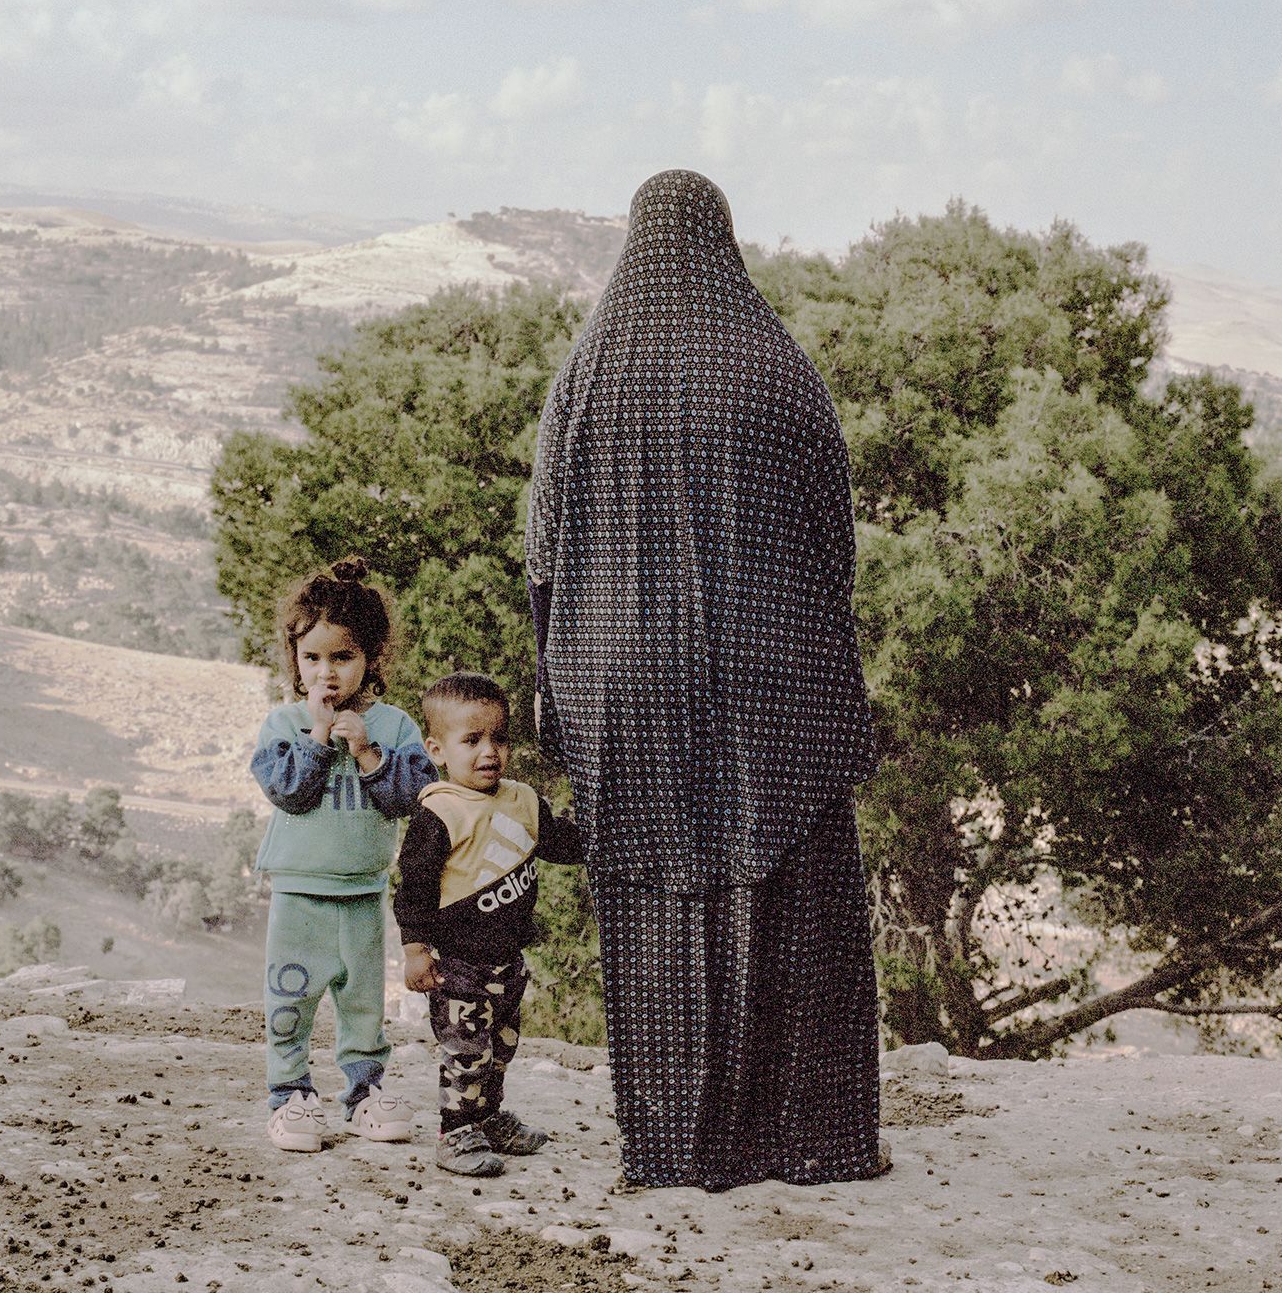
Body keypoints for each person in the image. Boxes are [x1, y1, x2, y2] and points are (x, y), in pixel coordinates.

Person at [525, 168, 886, 1191]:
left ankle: (678, 1148)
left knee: (655, 906)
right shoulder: (779, 368)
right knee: (792, 901)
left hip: (625, 676)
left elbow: (544, 551)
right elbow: (833, 540)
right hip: (777, 674)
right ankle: (812, 1141)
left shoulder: (588, 374)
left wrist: (557, 680)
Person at [249, 556, 437, 1153]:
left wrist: (369, 756)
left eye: (342, 657)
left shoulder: (396, 726)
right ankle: (290, 1096)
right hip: (298, 892)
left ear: (371, 659)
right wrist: (317, 738)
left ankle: (364, 1094)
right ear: (294, 659)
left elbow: (412, 799)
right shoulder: (282, 725)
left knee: (360, 1004)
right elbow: (290, 794)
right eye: (312, 658)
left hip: (361, 893)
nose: (326, 673)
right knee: (291, 997)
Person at [395, 671, 584, 1178]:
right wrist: (416, 952)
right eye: (472, 740)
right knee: (466, 1051)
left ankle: (490, 1118)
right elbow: (412, 889)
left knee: (501, 1047)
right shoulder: (440, 813)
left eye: (499, 738)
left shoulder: (521, 801)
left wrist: (603, 825)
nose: (489, 752)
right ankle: (455, 1132)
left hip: (508, 962)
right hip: (458, 964)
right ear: (437, 749)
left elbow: (564, 846)